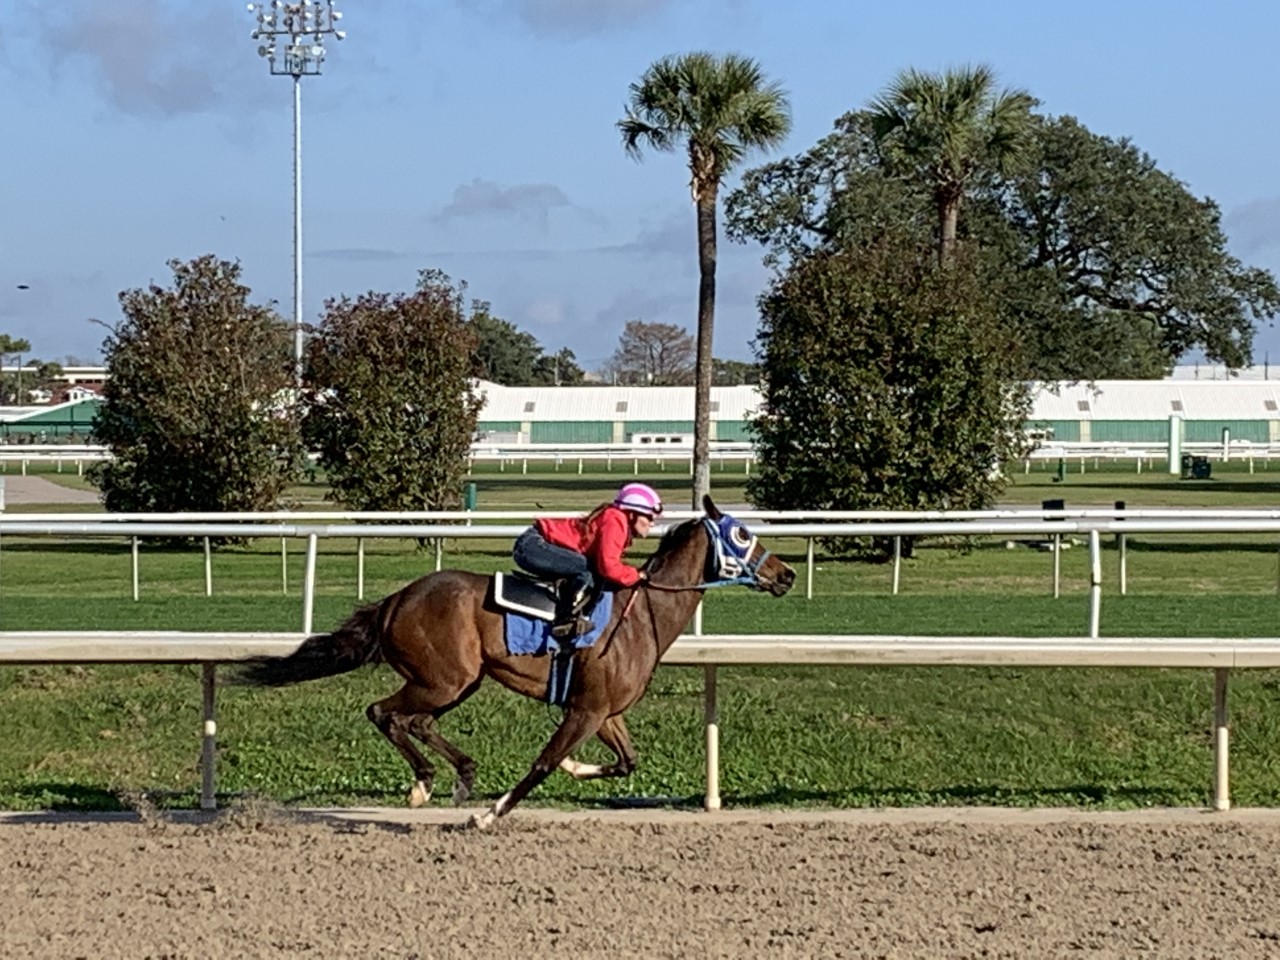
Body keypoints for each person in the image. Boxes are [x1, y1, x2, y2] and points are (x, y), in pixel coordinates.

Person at [512, 482, 663, 639]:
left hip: (535, 546)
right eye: (650, 517)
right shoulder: (615, 520)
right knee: (590, 570)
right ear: (632, 514)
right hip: (533, 547)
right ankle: (566, 619)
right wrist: (636, 575)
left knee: (592, 570)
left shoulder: (616, 519)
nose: (652, 523)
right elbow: (608, 567)